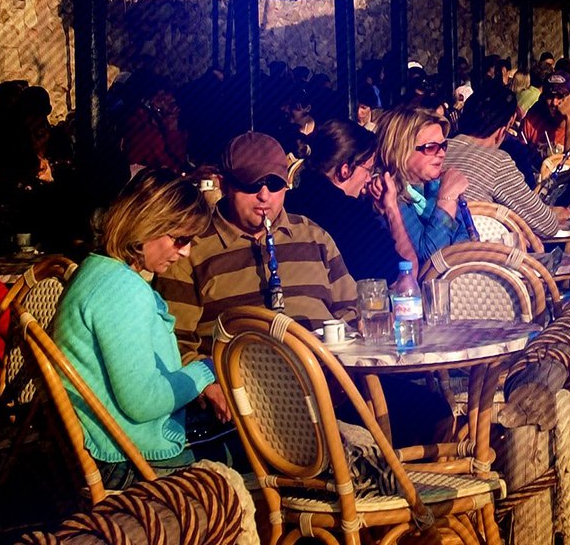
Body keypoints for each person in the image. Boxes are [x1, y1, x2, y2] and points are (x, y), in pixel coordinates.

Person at [52, 171, 230, 490]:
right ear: (147, 226)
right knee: (259, 442)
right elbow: (143, 402)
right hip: (129, 459)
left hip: (112, 444)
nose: (186, 252)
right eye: (180, 239)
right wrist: (207, 370)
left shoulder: (98, 270)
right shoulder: (122, 289)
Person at [157, 132, 361, 359]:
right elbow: (175, 344)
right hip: (241, 388)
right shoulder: (189, 250)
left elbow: (351, 312)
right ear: (224, 185)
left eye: (274, 184)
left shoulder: (315, 237)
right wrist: (214, 387)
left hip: (326, 379)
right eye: (252, 184)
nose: (264, 196)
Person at [287, 119, 427, 282]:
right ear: (345, 170)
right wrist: (391, 209)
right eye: (368, 170)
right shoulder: (353, 217)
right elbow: (405, 275)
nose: (369, 178)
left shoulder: (288, 202)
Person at [447, 88, 562, 239]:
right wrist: (555, 213)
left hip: (435, 253)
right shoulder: (496, 161)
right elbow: (547, 226)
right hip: (476, 255)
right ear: (503, 130)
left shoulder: (437, 151)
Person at [371, 105, 474, 262]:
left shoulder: (436, 185)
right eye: (431, 147)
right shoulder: (389, 192)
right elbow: (428, 259)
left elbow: (470, 238)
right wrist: (446, 200)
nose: (441, 154)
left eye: (443, 146)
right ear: (402, 150)